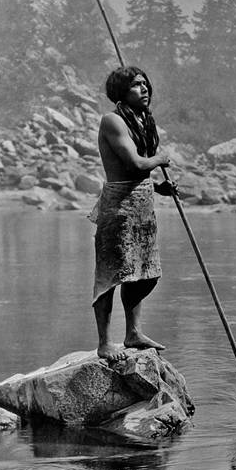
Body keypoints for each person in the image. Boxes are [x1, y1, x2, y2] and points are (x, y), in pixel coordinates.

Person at [90, 65, 176, 361]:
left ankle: (133, 332)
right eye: (136, 85)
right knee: (111, 275)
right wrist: (159, 158)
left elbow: (141, 174)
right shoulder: (112, 120)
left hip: (142, 205)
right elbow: (134, 164)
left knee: (144, 274)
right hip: (118, 208)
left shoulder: (143, 120)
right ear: (121, 93)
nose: (144, 89)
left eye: (145, 84)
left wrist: (160, 188)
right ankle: (104, 343)